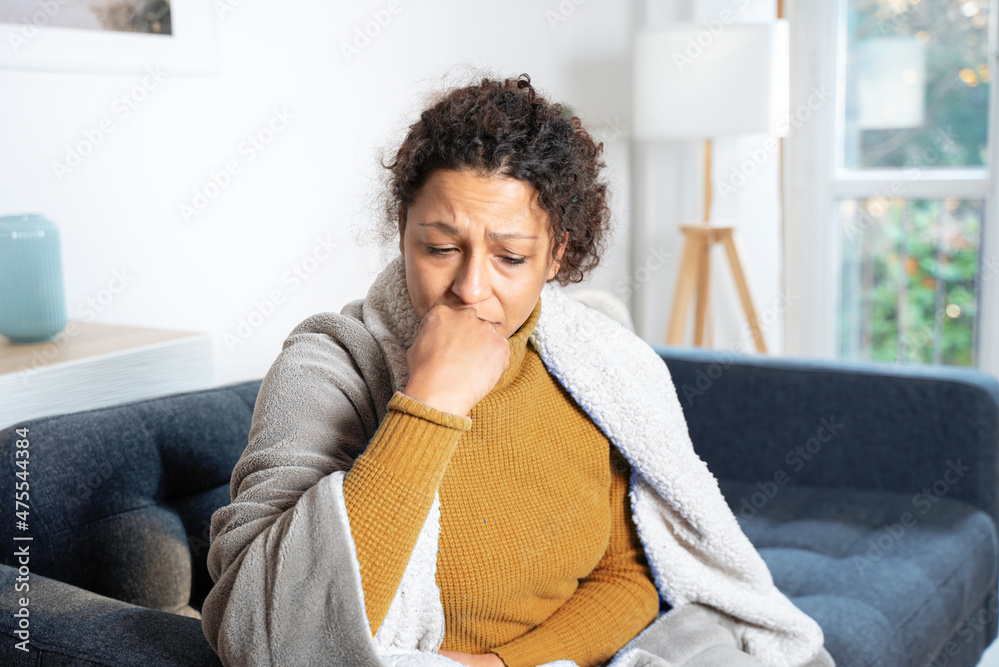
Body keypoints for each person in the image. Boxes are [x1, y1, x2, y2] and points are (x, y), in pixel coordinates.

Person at [201, 73, 834, 667]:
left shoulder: (600, 369)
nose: (471, 288)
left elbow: (630, 572)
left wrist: (504, 664)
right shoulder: (327, 365)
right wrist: (432, 402)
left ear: (557, 253)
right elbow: (271, 636)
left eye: (510, 256)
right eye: (441, 248)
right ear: (402, 232)